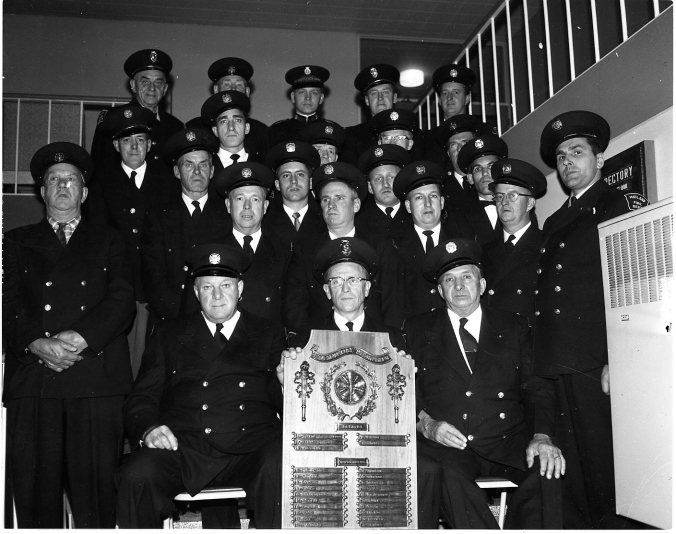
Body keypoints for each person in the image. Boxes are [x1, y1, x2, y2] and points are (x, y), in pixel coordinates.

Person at [2, 142, 135, 527]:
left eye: (71, 180)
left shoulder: (111, 240)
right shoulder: (15, 241)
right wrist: (37, 342)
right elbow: (7, 302)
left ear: (85, 192)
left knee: (96, 499)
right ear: (42, 192)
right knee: (35, 497)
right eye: (54, 180)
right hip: (35, 379)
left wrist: (79, 337)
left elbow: (122, 299)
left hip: (95, 377)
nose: (62, 186)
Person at [116, 243, 284, 528]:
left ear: (240, 288)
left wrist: (284, 384)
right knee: (136, 475)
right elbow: (141, 398)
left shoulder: (268, 333)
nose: (217, 296)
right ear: (196, 292)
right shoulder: (169, 334)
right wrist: (149, 429)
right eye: (207, 287)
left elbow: (284, 402)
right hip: (187, 449)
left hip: (251, 449)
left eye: (225, 286)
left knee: (282, 463)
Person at [533, 110, 647, 528]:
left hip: (596, 362)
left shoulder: (618, 205)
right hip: (559, 363)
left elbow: (633, 285)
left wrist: (619, 358)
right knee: (575, 479)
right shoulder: (553, 220)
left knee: (608, 475)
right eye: (561, 156)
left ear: (599, 159)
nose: (567, 162)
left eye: (577, 152)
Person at [281, 236, 443, 528]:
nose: (345, 288)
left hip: (380, 442)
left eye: (354, 280)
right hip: (323, 445)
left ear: (367, 288)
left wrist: (406, 380)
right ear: (327, 291)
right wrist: (284, 382)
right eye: (336, 281)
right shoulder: (304, 338)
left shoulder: (393, 338)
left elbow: (411, 402)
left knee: (427, 469)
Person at [406, 238, 564, 529]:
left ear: (481, 285)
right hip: (449, 446)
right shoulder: (417, 329)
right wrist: (427, 424)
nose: (459, 286)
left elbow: (537, 386)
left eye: (467, 277)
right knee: (447, 476)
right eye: (449, 280)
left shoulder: (514, 325)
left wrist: (542, 436)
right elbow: (404, 390)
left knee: (547, 469)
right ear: (440, 291)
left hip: (506, 441)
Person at [85, 104, 178, 377]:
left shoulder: (168, 180)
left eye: (140, 140)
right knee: (119, 362)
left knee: (157, 360)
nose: (134, 147)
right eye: (127, 141)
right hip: (118, 284)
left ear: (150, 144)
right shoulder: (100, 182)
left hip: (158, 285)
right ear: (116, 146)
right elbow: (97, 237)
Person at [140, 127, 230, 331]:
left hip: (216, 321)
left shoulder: (227, 214)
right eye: (189, 165)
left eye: (203, 165)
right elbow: (153, 277)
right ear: (176, 171)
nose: (197, 172)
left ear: (212, 171)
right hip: (169, 321)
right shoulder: (157, 217)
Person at [204, 161, 291, 324]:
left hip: (269, 336)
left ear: (265, 206)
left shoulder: (284, 250)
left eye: (255, 199)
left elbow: (292, 307)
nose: (247, 206)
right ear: (228, 205)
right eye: (239, 198)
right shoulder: (211, 251)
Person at [389, 160, 473, 323]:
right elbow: (391, 304)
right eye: (419, 197)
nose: (427, 204)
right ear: (408, 206)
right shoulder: (392, 245)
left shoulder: (462, 241)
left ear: (441, 202)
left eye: (433, 196)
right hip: (412, 331)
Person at [91, 49, 183, 182]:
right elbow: (98, 168)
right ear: (133, 85)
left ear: (165, 89)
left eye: (158, 82)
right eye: (145, 82)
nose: (152, 88)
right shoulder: (112, 119)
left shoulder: (175, 127)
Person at [481, 158, 546, 323]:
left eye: (512, 195)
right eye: (499, 196)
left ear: (530, 203)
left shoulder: (546, 244)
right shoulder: (484, 251)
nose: (504, 202)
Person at [263, 140, 325, 248]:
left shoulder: (325, 217)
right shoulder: (264, 221)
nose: (293, 181)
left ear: (311, 182)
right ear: (277, 184)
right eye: (286, 175)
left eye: (300, 174)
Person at [341, 63, 405, 164]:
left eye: (385, 92)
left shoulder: (410, 133)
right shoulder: (352, 136)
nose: (380, 98)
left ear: (395, 97)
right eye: (374, 93)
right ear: (367, 100)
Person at [207, 56, 269, 157]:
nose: (233, 89)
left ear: (247, 91)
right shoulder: (200, 129)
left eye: (239, 85)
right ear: (216, 90)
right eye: (227, 84)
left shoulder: (262, 132)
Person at [455, 133, 509, 244]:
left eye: (491, 166)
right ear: (470, 178)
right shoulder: (458, 215)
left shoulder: (518, 206)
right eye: (478, 169)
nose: (485, 173)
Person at [200, 89, 264, 176]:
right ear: (215, 131)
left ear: (247, 128)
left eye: (237, 120)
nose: (231, 127)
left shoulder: (262, 165)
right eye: (223, 121)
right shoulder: (206, 167)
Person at [355, 144, 411, 240]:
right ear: (370, 187)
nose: (385, 184)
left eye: (391, 177)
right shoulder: (358, 221)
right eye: (378, 179)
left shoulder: (415, 215)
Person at [423, 64, 476, 166]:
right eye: (445, 93)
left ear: (467, 98)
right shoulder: (427, 140)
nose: (450, 97)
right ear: (439, 100)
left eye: (456, 92)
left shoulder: (480, 132)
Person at [268, 65, 330, 145]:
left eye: (314, 93)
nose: (308, 98)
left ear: (321, 98)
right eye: (302, 92)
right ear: (293, 97)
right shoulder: (276, 131)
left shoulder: (334, 131)